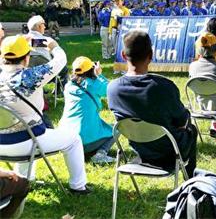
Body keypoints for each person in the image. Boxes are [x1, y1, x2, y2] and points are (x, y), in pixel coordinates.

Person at [0, 35, 90, 194]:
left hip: (2, 146)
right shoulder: (30, 77)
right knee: (74, 140)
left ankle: (26, 179)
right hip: (27, 142)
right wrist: (53, 46)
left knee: (27, 131)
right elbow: (60, 61)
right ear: (27, 58)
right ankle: (78, 186)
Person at [107, 30, 198, 177]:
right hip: (171, 151)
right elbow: (182, 121)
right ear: (151, 55)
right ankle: (191, 181)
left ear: (123, 55)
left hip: (140, 149)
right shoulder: (164, 87)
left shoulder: (112, 88)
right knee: (191, 129)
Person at [60, 56, 115, 164]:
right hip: (85, 142)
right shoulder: (94, 84)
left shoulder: (68, 86)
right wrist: (99, 75)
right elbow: (111, 89)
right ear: (91, 69)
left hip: (66, 142)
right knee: (116, 129)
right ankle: (101, 154)